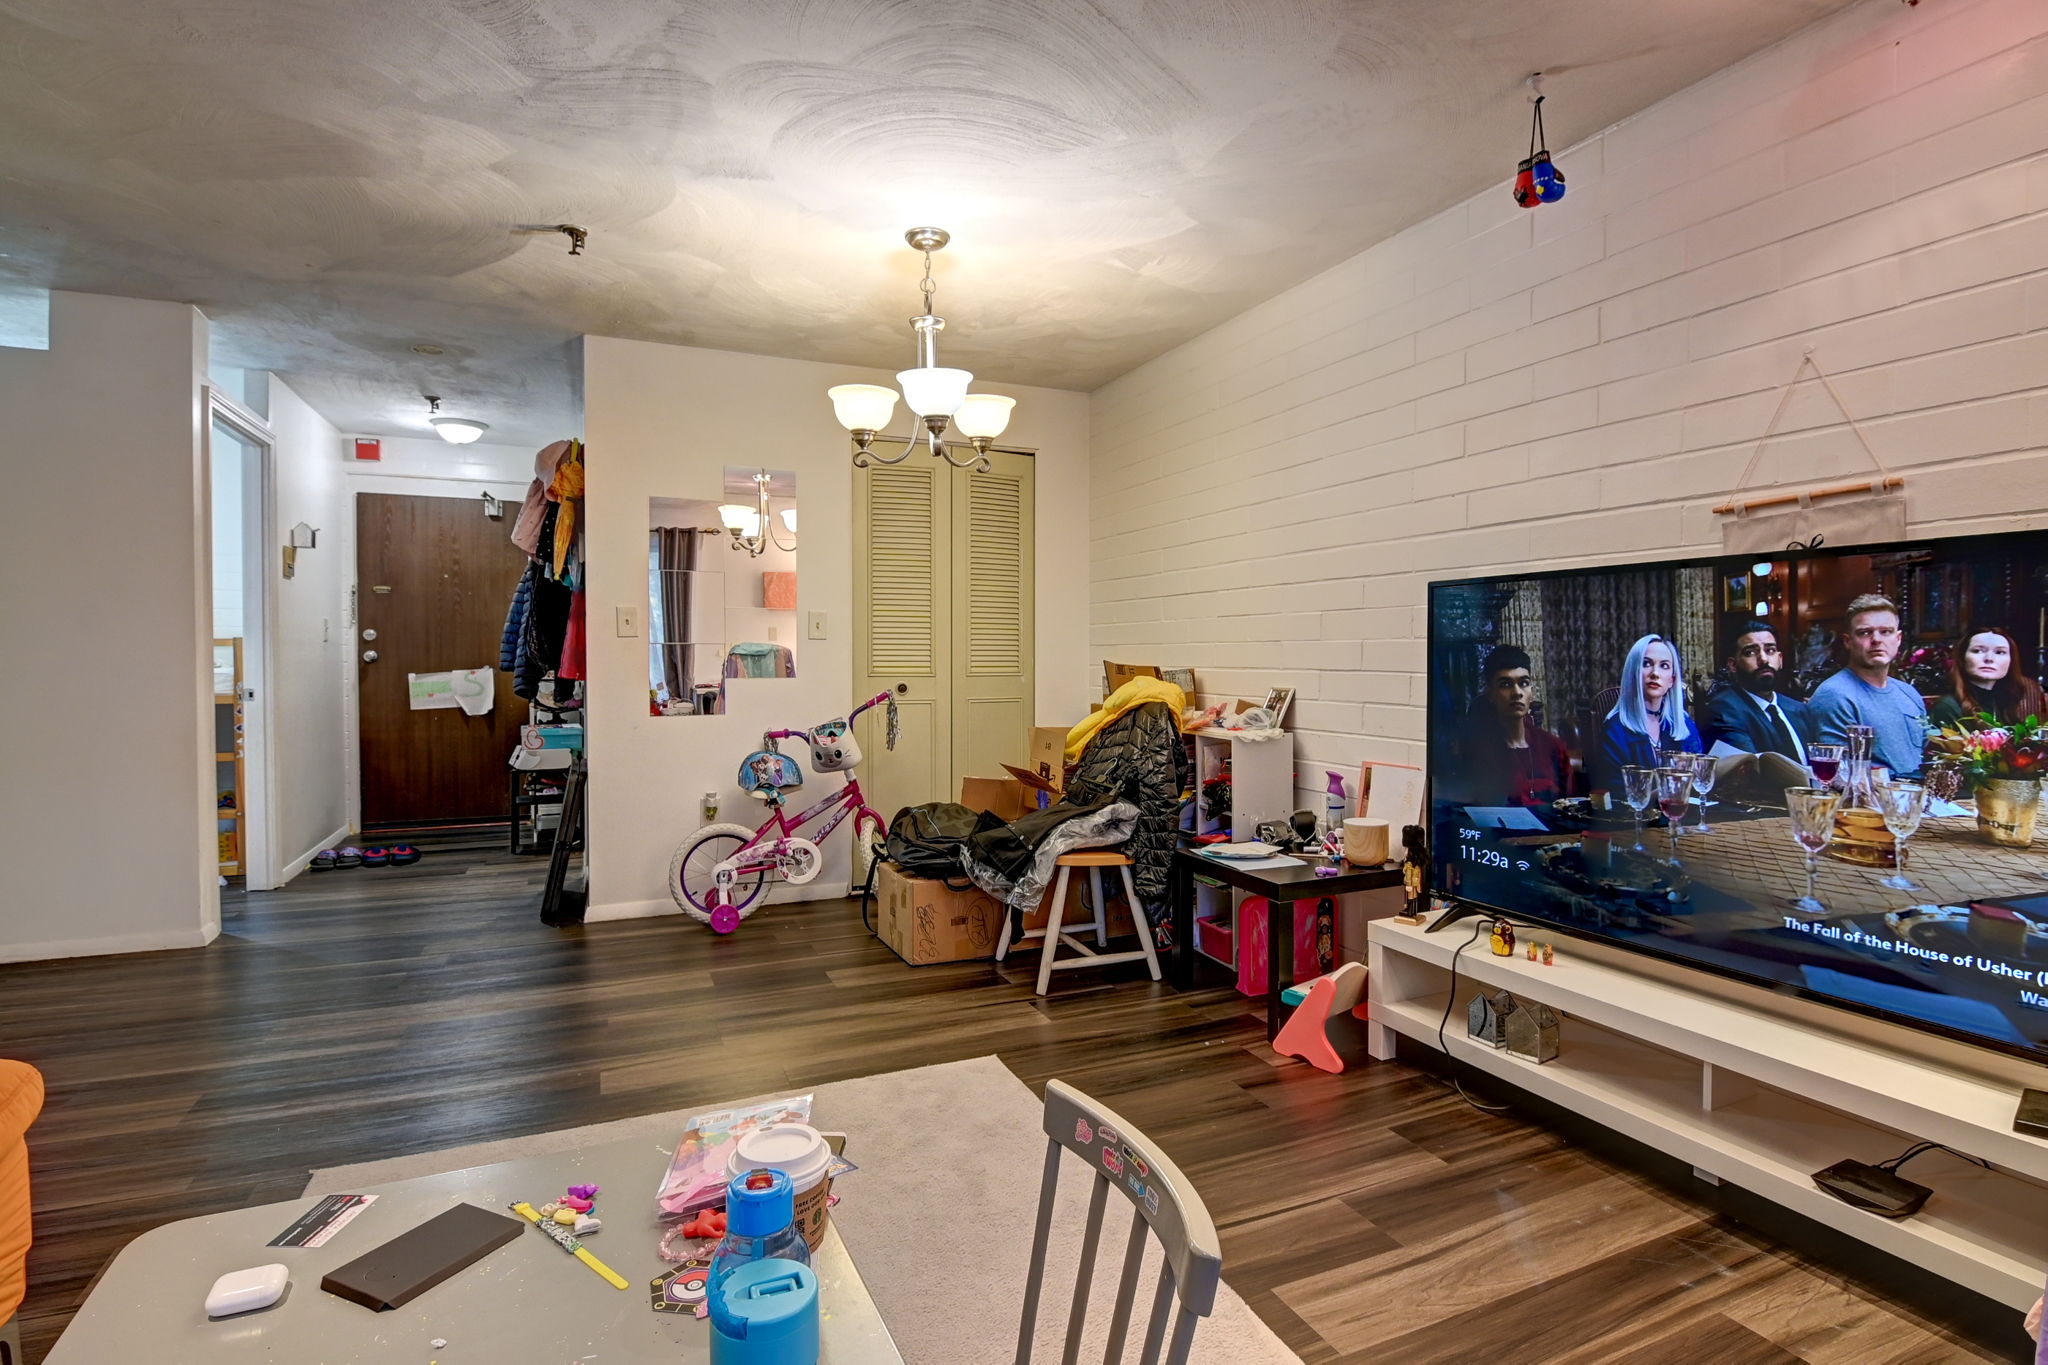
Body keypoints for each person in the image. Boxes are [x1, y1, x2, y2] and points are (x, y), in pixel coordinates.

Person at [1807, 593, 1929, 778]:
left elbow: (1925, 755)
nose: (1876, 640)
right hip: (1868, 803)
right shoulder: (1834, 695)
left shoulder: (1909, 693)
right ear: (1848, 641)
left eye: (1885, 631)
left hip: (1915, 798)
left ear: (1898, 639)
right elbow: (1839, 775)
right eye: (1865, 632)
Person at [1456, 645, 1574, 807]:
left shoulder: (1553, 747)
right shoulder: (1477, 751)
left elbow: (1570, 806)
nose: (1517, 692)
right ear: (1490, 694)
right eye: (1505, 684)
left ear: (1531, 692)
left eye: (1524, 683)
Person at [1594, 634, 1702, 792]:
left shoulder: (1684, 724)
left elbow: (1698, 777)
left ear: (1671, 680)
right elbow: (1617, 793)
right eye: (1646, 663)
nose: (1655, 673)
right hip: (1636, 814)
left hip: (1683, 813)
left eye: (1664, 666)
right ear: (1633, 673)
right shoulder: (1615, 730)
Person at [1702, 622, 1814, 762]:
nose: (1764, 659)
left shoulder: (1800, 710)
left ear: (1780, 659)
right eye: (1750, 652)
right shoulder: (1723, 710)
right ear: (1733, 665)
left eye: (1770, 650)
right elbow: (1752, 770)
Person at [1928, 626, 2046, 729]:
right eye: (1978, 651)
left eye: (1999, 652)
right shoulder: (1947, 707)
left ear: (2011, 661)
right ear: (1962, 659)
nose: (1989, 658)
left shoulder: (2005, 704)